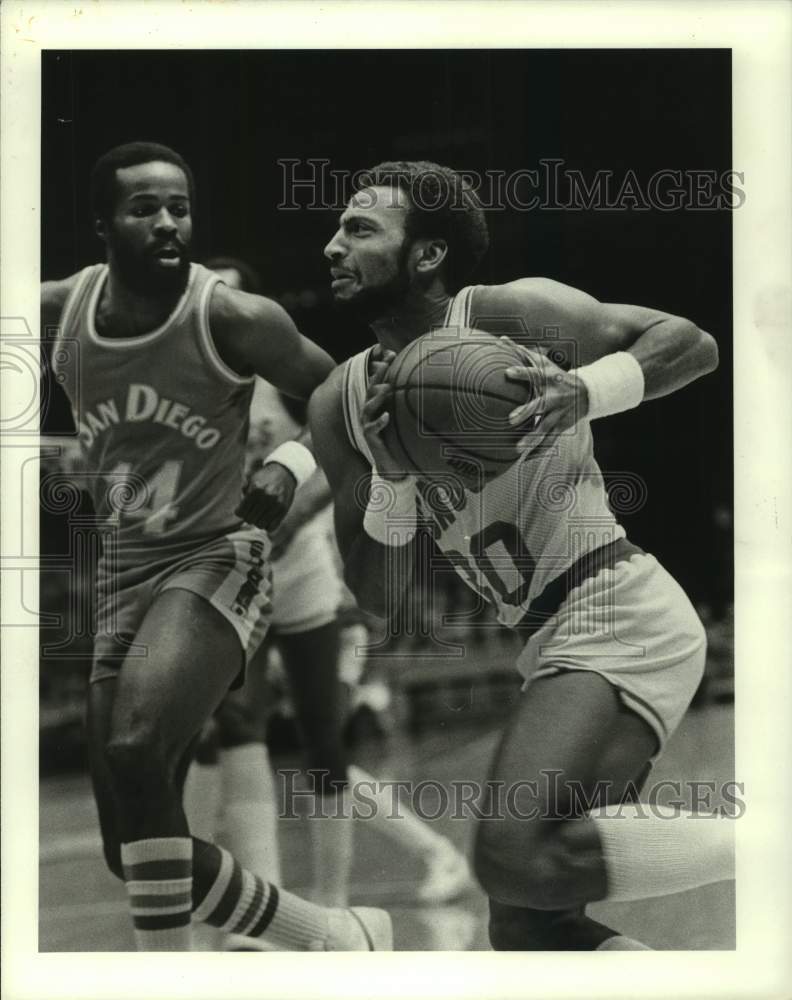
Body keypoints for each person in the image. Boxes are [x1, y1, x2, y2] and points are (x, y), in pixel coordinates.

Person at [309, 160, 732, 950]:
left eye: (360, 229)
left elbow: (692, 344)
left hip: (614, 605)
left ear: (427, 254)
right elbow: (379, 599)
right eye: (336, 227)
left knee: (508, 855)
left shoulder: (508, 313)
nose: (333, 245)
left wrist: (587, 391)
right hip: (545, 640)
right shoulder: (339, 406)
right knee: (530, 923)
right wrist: (394, 481)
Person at [41, 141, 391, 951]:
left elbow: (352, 396)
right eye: (144, 209)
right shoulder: (58, 310)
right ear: (102, 224)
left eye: (180, 207)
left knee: (137, 746)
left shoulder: (232, 316)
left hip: (217, 558)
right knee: (128, 848)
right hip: (123, 574)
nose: (169, 223)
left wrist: (292, 461)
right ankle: (333, 936)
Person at [183, 258, 472, 950]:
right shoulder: (188, 386)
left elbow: (342, 461)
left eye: (235, 297)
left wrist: (283, 520)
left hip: (312, 577)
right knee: (224, 731)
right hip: (238, 577)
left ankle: (339, 901)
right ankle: (259, 910)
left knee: (325, 752)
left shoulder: (282, 380)